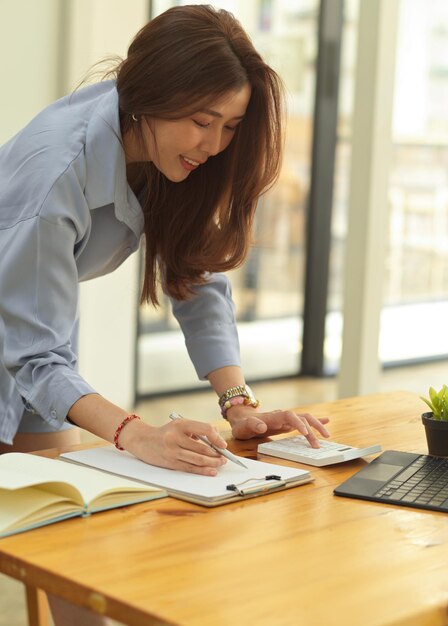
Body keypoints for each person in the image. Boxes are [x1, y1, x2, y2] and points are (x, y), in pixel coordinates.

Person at [0, 5, 330, 624]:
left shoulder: (163, 152)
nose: (214, 144)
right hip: (23, 339)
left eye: (231, 126)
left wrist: (240, 405)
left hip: (31, 340)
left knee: (71, 543)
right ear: (150, 95)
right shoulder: (55, 178)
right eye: (202, 122)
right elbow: (33, 354)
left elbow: (194, 276)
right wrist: (137, 434)